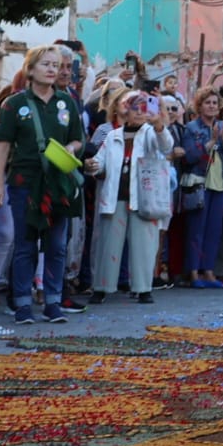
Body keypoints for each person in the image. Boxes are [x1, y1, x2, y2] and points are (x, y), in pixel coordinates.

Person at [0, 45, 86, 326]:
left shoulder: (66, 102)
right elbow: (3, 146)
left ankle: (53, 302)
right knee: (25, 244)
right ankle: (22, 304)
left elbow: (80, 139)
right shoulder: (14, 103)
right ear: (30, 69)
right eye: (46, 64)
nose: (53, 69)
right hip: (25, 182)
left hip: (58, 183)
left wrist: (71, 147)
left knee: (56, 245)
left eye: (56, 65)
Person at [88, 90, 173, 304]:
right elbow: (99, 163)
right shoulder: (112, 135)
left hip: (143, 198)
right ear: (125, 109)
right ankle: (101, 287)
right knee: (108, 244)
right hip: (115, 197)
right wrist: (92, 166)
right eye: (135, 106)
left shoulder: (151, 133)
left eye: (143, 107)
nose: (139, 112)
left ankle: (143, 288)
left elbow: (166, 146)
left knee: (145, 244)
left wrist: (159, 124)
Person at [177, 90, 223, 289]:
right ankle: (194, 272)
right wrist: (211, 142)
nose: (213, 106)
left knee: (215, 229)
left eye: (215, 103)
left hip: (220, 182)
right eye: (208, 103)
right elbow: (189, 156)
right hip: (199, 181)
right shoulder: (191, 128)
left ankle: (209, 271)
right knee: (197, 228)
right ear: (200, 106)